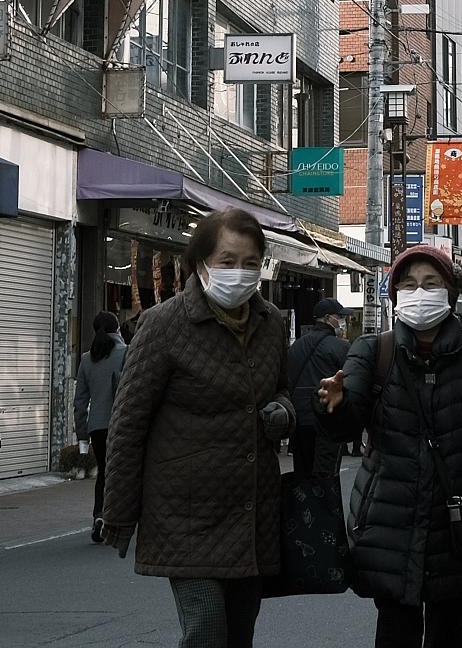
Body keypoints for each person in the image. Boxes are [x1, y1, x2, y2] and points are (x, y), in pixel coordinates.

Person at [101, 208, 295, 648]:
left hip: (252, 508)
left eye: (250, 263)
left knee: (240, 631)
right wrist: (118, 512)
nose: (239, 273)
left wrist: (284, 412)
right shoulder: (162, 324)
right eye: (227, 262)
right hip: (186, 512)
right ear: (200, 263)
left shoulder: (271, 324)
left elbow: (283, 390)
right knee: (207, 630)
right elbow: (128, 423)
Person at [317, 244, 462, 648]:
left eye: (431, 283)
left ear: (449, 293)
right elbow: (344, 426)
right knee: (395, 631)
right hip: (390, 519)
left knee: (451, 632)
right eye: (408, 285)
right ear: (395, 296)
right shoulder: (373, 350)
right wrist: (334, 408)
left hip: (457, 526)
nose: (419, 293)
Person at [74, 310, 126, 543]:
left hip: (96, 427)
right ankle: (120, 519)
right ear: (117, 329)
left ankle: (99, 516)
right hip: (124, 424)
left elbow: (80, 401)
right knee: (126, 473)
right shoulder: (127, 353)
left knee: (105, 473)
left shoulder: (87, 358)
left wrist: (82, 434)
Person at [286, 298, 352, 477]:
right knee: (326, 474)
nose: (343, 321)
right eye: (340, 317)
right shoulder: (341, 347)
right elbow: (351, 382)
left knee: (302, 473)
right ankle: (326, 504)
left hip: (299, 419)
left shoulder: (296, 346)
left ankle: (304, 505)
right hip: (326, 418)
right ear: (328, 318)